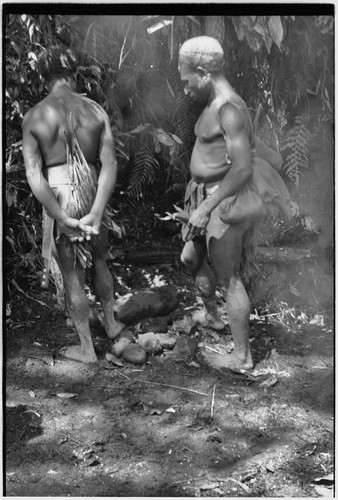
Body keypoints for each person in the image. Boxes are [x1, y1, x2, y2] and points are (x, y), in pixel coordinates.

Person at [178, 36, 293, 371]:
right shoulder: (217, 105)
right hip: (204, 197)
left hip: (222, 201)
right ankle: (213, 316)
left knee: (229, 277)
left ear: (202, 72)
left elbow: (242, 168)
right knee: (190, 257)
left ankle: (242, 357)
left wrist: (206, 207)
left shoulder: (229, 108)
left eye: (187, 80)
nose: (185, 89)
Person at [22, 46, 124, 364]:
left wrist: (60, 216)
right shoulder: (95, 111)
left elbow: (34, 176)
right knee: (101, 259)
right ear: (73, 73)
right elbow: (110, 164)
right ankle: (110, 323)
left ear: (43, 78)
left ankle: (86, 348)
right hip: (93, 187)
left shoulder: (34, 116)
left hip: (60, 192)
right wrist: (96, 210)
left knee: (72, 274)